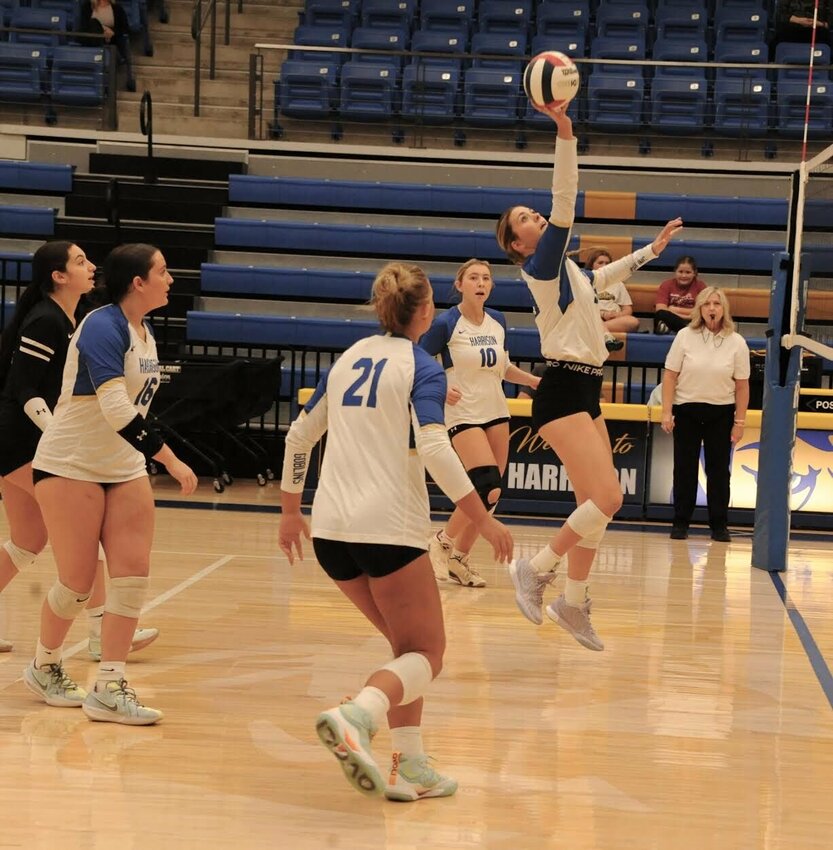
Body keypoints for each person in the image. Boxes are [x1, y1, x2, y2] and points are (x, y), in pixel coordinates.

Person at [278, 262, 513, 801]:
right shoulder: (422, 367)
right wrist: (482, 518)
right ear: (426, 311)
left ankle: (411, 764)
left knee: (405, 651)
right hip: (389, 530)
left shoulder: (349, 358)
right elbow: (434, 448)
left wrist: (291, 512)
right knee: (428, 653)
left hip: (332, 534)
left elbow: (297, 438)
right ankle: (357, 715)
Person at [495, 104, 682, 651]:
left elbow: (603, 275)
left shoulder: (569, 271)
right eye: (524, 219)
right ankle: (536, 569)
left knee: (593, 505)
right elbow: (564, 201)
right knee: (608, 497)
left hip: (583, 388)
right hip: (560, 392)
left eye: (532, 214)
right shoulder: (540, 265)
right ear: (518, 245)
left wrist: (652, 250)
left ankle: (573, 603)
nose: (536, 219)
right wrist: (565, 132)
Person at [23, 243, 197, 725]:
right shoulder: (103, 324)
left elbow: (135, 409)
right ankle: (44, 664)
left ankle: (109, 685)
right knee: (77, 585)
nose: (170, 279)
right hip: (69, 464)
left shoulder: (146, 332)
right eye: (163, 272)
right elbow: (117, 410)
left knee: (131, 577)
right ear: (137, 283)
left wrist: (148, 456)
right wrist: (171, 459)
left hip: (122, 466)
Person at [0, 241, 156, 658]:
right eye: (81, 261)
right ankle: (100, 633)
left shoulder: (80, 319)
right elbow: (22, 387)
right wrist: (56, 436)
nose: (91, 267)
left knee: (27, 542)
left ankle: (98, 632)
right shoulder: (46, 321)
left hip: (38, 444)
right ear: (58, 276)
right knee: (87, 538)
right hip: (18, 442)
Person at [421, 258, 539, 588]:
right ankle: (442, 542)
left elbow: (501, 367)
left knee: (492, 494)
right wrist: (441, 387)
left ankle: (460, 558)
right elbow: (417, 361)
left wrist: (532, 381)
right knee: (484, 483)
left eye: (486, 278)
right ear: (460, 285)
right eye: (473, 277)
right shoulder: (446, 324)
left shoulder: (498, 321)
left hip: (495, 410)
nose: (480, 282)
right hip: (463, 413)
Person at [660, 287, 750, 542]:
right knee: (684, 469)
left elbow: (742, 385)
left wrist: (740, 422)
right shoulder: (684, 336)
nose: (712, 308)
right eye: (707, 304)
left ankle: (719, 525)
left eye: (717, 304)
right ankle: (681, 522)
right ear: (700, 308)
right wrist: (666, 411)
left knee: (719, 471)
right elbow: (670, 375)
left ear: (724, 309)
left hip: (721, 412)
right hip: (687, 409)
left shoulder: (737, 342)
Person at [79, 0, 137, 92]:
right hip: (91, 42)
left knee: (105, 42)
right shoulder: (87, 6)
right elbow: (82, 28)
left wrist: (112, 32)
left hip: (112, 41)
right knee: (94, 23)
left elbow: (125, 29)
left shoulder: (117, 8)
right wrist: (103, 30)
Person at [585, 248, 641, 335]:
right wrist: (602, 314)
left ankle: (600, 329)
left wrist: (618, 315)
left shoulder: (618, 283)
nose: (604, 265)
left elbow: (627, 309)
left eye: (607, 263)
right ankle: (603, 332)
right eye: (600, 263)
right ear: (591, 265)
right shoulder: (584, 282)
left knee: (633, 321)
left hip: (614, 320)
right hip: (593, 318)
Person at [654, 256, 706, 335]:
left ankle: (684, 329)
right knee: (660, 314)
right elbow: (660, 309)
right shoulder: (666, 285)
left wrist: (674, 310)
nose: (684, 276)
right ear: (675, 272)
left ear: (694, 273)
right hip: (670, 320)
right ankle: (682, 330)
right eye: (680, 272)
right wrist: (689, 313)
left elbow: (701, 311)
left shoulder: (701, 286)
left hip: (692, 322)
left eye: (688, 272)